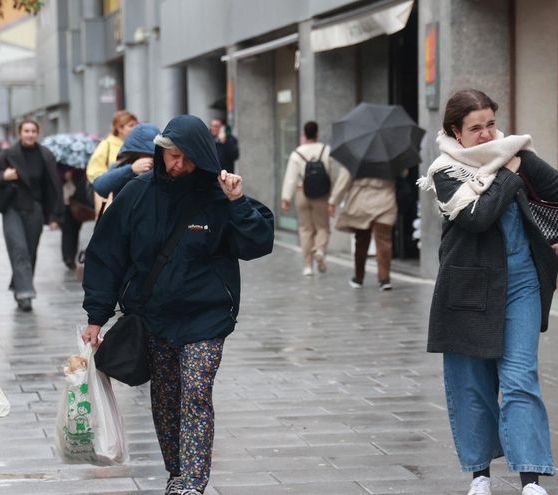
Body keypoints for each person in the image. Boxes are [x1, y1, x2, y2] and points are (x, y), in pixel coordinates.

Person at [81, 115, 274, 495]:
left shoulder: (220, 197)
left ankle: (193, 483)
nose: (178, 164)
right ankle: (177, 473)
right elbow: (106, 254)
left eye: (187, 157)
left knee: (197, 393)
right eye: (171, 155)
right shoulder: (137, 194)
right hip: (154, 318)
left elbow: (258, 243)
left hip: (206, 318)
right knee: (167, 400)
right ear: (160, 152)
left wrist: (236, 202)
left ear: (203, 157)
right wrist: (96, 316)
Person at [417, 89, 558, 495]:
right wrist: (506, 174)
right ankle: (480, 475)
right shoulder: (446, 170)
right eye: (476, 128)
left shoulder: (517, 155)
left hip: (521, 283)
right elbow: (477, 216)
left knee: (519, 378)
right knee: (470, 382)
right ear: (455, 132)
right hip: (466, 287)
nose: (488, 134)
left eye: (491, 123)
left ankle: (530, 478)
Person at [0, 119, 63, 311]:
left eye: (33, 131)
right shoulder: (8, 154)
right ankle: (25, 293)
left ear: (38, 133)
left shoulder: (45, 155)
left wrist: (55, 216)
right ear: (20, 133)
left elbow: (54, 187)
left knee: (30, 252)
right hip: (12, 208)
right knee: (18, 249)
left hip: (34, 209)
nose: (29, 134)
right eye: (26, 131)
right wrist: (4, 176)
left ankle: (19, 286)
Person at [327, 145, 398, 291]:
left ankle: (358, 278)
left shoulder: (356, 155)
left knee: (361, 241)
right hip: (385, 200)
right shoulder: (390, 155)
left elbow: (344, 180)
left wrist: (333, 200)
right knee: (384, 241)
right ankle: (384, 279)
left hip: (361, 202)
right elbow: (403, 172)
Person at [281, 121, 334, 276]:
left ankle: (307, 266)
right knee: (323, 227)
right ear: (317, 134)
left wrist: (286, 198)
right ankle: (320, 250)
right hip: (321, 195)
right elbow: (331, 175)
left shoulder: (297, 153)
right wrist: (333, 198)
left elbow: (290, 177)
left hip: (301, 193)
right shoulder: (326, 150)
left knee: (305, 229)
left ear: (304, 135)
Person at [92, 122, 159, 203]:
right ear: (134, 153)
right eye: (144, 154)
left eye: (151, 155)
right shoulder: (124, 164)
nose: (147, 159)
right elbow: (100, 187)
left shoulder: (162, 167)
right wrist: (131, 169)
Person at [85, 110, 138, 184]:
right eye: (131, 125)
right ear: (120, 128)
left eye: (136, 125)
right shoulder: (106, 144)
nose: (135, 128)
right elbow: (93, 172)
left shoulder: (136, 144)